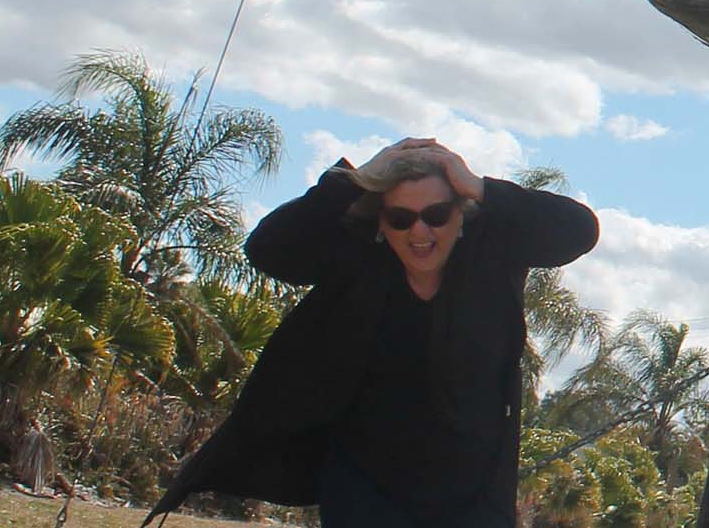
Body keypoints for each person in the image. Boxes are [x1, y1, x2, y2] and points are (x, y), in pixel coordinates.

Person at [144, 137, 599, 527]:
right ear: (382, 224)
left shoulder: (493, 254)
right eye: (401, 218)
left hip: (472, 492)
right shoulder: (359, 261)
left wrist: (478, 185)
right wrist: (353, 180)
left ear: (462, 216)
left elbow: (580, 230)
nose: (419, 230)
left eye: (436, 214)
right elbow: (268, 250)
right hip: (365, 485)